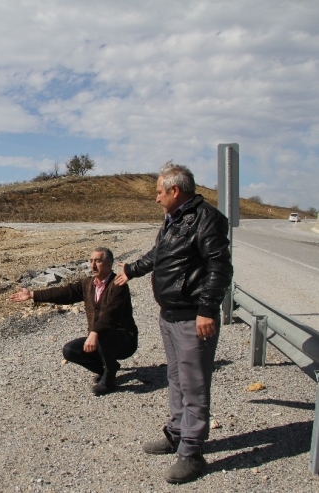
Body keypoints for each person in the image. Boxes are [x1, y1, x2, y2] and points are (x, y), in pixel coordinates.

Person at [114, 161, 233, 484]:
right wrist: (133, 269)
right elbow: (160, 255)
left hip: (194, 318)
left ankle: (192, 453)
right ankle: (176, 433)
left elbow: (220, 269)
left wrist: (208, 310)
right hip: (170, 315)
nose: (156, 198)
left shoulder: (207, 220)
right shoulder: (174, 219)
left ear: (175, 191)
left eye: (158, 192)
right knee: (177, 378)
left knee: (194, 385)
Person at [10, 247, 138, 396]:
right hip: (99, 338)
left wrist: (95, 333)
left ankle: (109, 381)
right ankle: (107, 370)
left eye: (98, 261)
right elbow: (64, 293)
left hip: (123, 340)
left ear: (109, 264)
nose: (92, 265)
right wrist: (33, 294)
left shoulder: (118, 285)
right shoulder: (88, 284)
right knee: (70, 350)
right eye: (91, 261)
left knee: (103, 334)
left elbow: (110, 314)